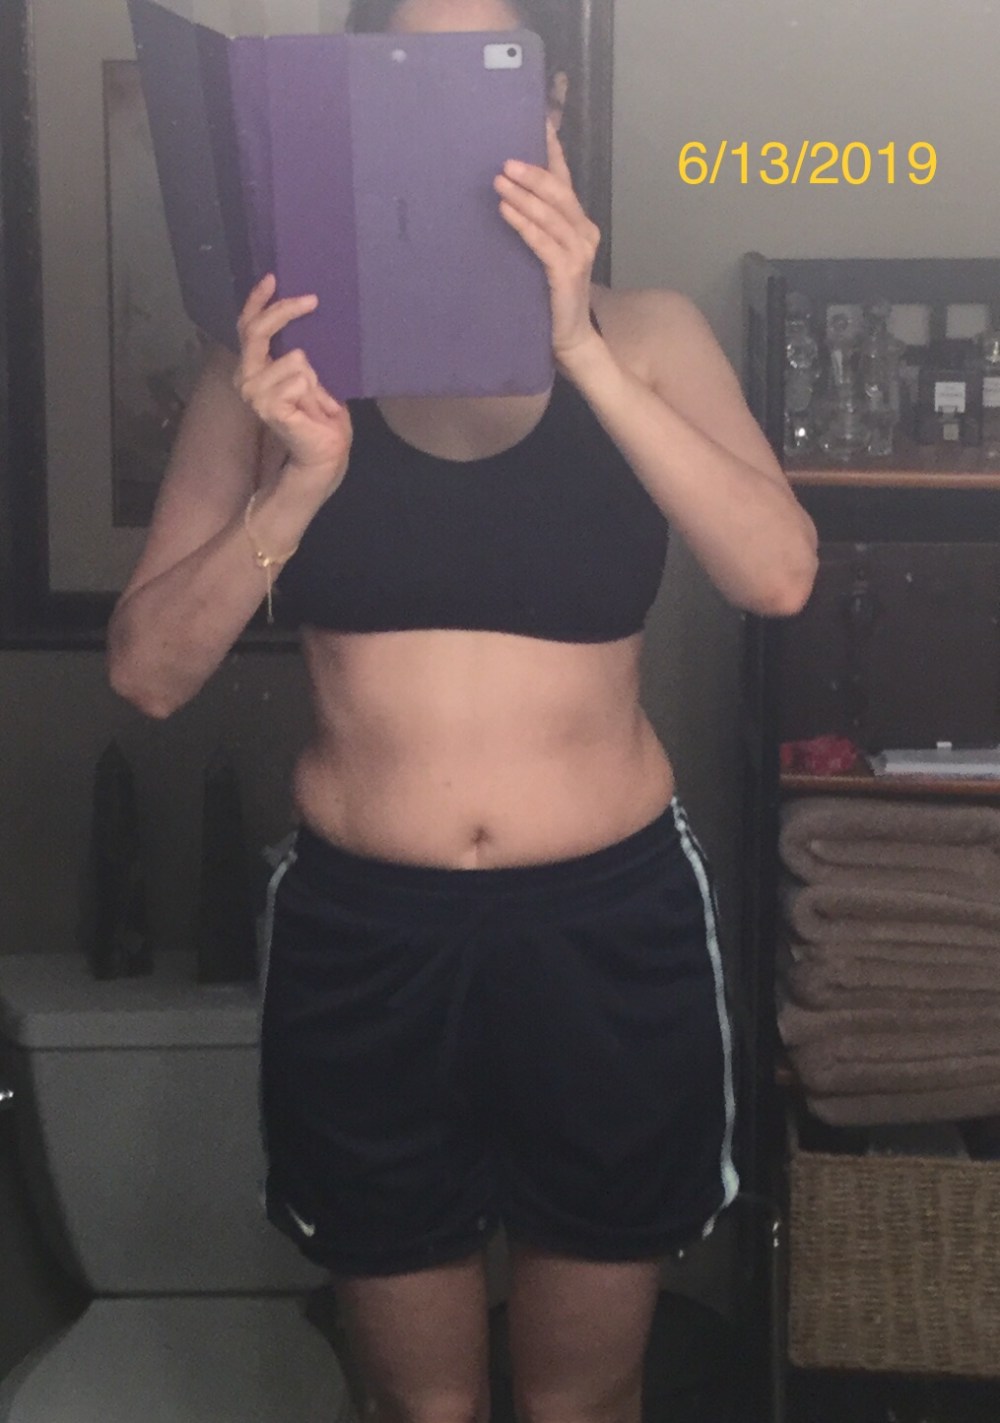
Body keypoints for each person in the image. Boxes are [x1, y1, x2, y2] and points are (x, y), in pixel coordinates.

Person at [107, 0, 818, 1420]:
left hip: (607, 929)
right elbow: (148, 670)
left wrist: (584, 353)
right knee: (423, 1411)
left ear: (546, 111)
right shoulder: (267, 365)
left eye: (483, 73)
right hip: (368, 937)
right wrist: (298, 486)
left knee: (578, 1405)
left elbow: (779, 573)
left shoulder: (649, 335)